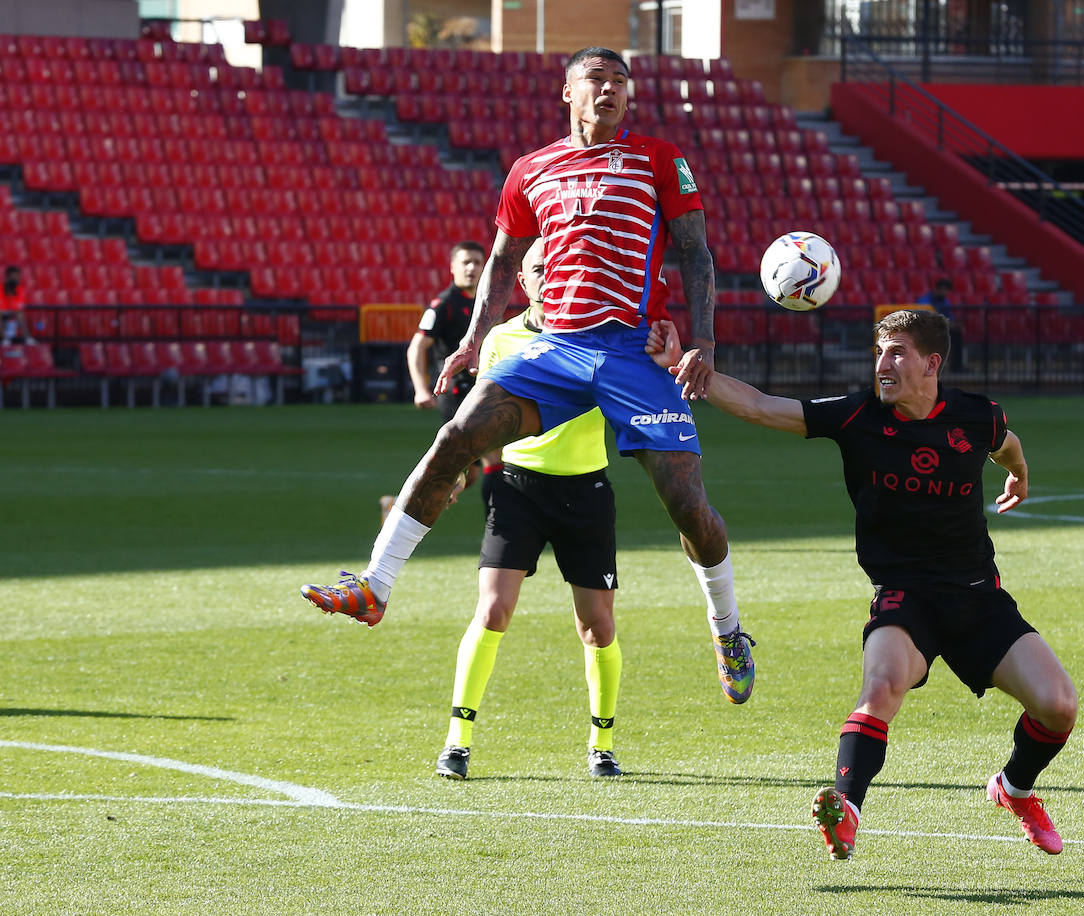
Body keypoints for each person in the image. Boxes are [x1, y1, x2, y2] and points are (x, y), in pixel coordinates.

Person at [302, 46, 757, 706]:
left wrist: (706, 340)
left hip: (633, 352)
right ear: (566, 93)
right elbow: (500, 261)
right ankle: (375, 585)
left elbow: (695, 252)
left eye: (620, 82)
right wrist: (474, 336)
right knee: (457, 434)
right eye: (596, 79)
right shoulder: (530, 170)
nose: (610, 90)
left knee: (687, 503)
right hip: (558, 348)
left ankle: (728, 630)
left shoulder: (660, 158)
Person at [648, 308, 1077, 857]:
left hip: (978, 598)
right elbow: (761, 406)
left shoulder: (976, 416)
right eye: (878, 352)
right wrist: (692, 370)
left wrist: (1017, 472)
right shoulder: (859, 416)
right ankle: (846, 808)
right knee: (880, 690)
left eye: (897, 352)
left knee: (1059, 706)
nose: (883, 364)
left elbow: (1006, 441)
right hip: (905, 599)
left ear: (932, 362)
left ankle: (1014, 790)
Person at [439, 238, 646, 780]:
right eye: (537, 268)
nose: (549, 274)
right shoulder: (501, 339)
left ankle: (602, 743)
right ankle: (457, 741)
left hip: (586, 491)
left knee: (596, 625)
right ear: (523, 281)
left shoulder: (604, 337)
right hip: (517, 488)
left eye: (558, 266)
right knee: (492, 611)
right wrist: (459, 469)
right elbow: (479, 419)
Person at [408, 241, 486, 420]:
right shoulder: (443, 305)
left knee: (494, 446)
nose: (471, 268)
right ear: (452, 267)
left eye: (477, 262)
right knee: (465, 446)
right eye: (466, 262)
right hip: (455, 390)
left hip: (482, 384)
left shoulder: (486, 303)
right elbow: (417, 347)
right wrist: (420, 389)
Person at [916, 277, 961, 372]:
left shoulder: (944, 301)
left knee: (957, 333)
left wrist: (953, 324)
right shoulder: (925, 300)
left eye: (947, 291)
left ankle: (956, 367)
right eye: (944, 290)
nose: (945, 293)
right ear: (938, 289)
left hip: (942, 329)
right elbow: (925, 317)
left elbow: (949, 318)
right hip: (927, 330)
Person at [1, 265, 34, 344]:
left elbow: (18, 306)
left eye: (18, 276)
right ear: (7, 277)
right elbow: (2, 307)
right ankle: (5, 339)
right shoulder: (1, 288)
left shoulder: (20, 290)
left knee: (20, 314)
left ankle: (27, 338)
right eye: (14, 276)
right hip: (3, 316)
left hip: (13, 317)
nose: (16, 278)